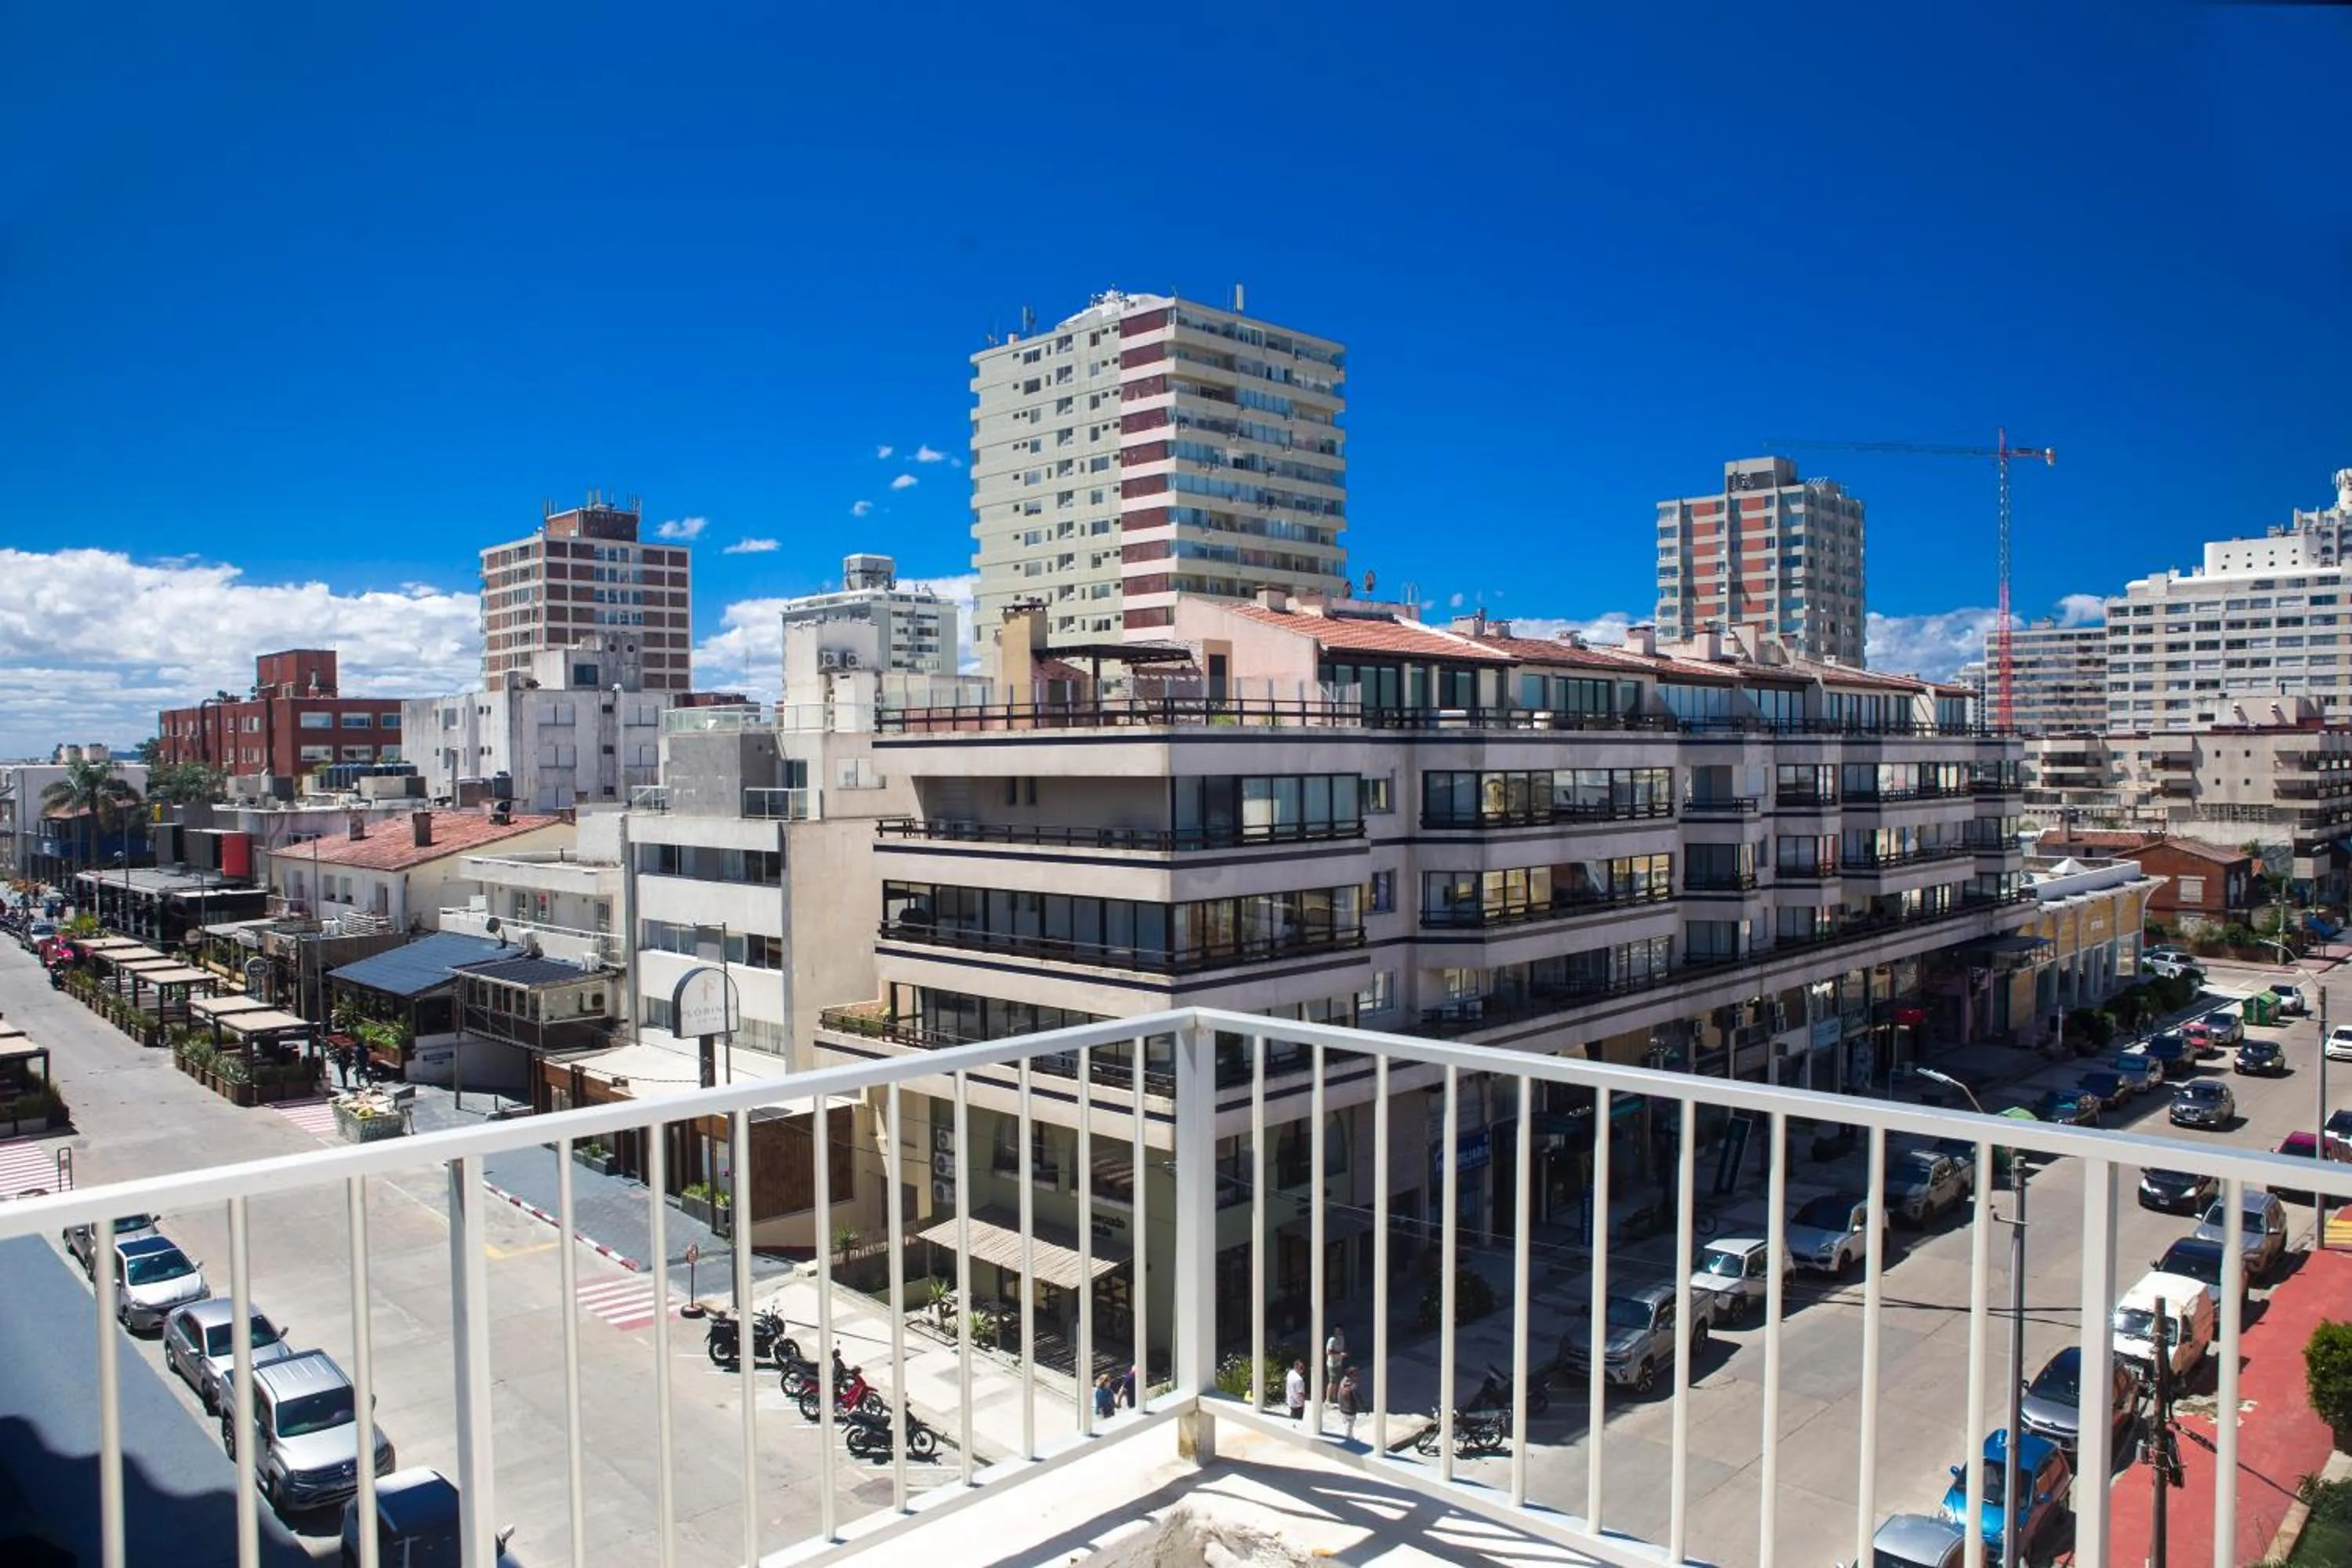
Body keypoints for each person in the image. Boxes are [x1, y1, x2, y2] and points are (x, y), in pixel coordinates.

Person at [1335, 1363, 1360, 1443]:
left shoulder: (1343, 1381)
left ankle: (1350, 1436)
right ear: (1351, 1375)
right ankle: (1349, 1439)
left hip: (1342, 1407)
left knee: (1347, 1423)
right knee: (1350, 1425)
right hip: (1350, 1409)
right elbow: (1357, 1397)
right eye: (1356, 1374)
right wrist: (1363, 1406)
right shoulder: (1353, 1385)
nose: (1357, 1376)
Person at [1323, 1326, 1347, 1401]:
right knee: (1332, 1382)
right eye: (1337, 1331)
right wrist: (1340, 1354)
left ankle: (1335, 1398)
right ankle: (1328, 1399)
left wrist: (1344, 1354)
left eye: (1340, 1330)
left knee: (1338, 1381)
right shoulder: (1332, 1340)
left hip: (1339, 1363)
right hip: (1332, 1364)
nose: (1338, 1332)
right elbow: (1329, 1352)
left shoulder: (1342, 1338)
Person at [1284, 1359, 1307, 1423]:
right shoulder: (1299, 1380)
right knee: (1298, 1423)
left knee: (1292, 1419)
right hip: (1298, 1405)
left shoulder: (1290, 1373)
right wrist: (1303, 1406)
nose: (1302, 1369)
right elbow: (1300, 1394)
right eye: (1301, 1368)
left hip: (1291, 1402)